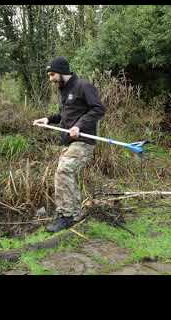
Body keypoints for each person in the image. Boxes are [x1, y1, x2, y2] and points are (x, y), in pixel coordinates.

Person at [33, 56, 106, 233]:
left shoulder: (83, 86)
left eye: (52, 74)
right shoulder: (64, 90)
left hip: (83, 141)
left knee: (64, 171)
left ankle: (66, 216)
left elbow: (98, 109)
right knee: (66, 174)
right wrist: (48, 119)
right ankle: (73, 213)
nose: (50, 79)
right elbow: (65, 115)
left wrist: (79, 126)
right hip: (69, 142)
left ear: (62, 72)